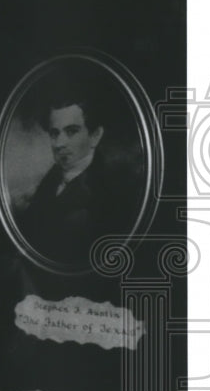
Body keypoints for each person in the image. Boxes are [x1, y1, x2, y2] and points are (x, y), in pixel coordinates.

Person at [19, 93, 134, 268]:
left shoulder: (110, 191)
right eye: (54, 133)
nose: (59, 144)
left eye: (71, 131)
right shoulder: (51, 180)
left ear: (95, 135)